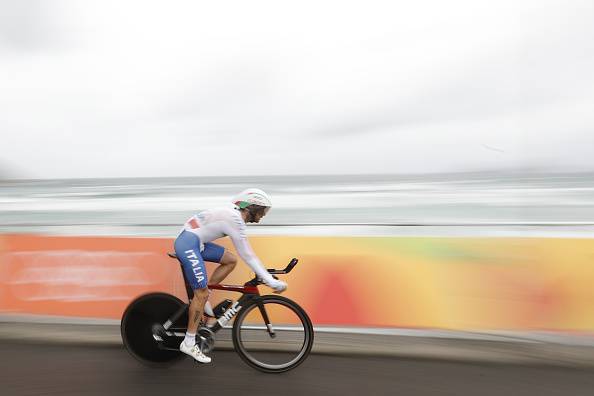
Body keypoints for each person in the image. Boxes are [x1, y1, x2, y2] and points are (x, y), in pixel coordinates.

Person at [173, 188, 287, 363]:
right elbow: (248, 255)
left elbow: (242, 255)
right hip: (188, 243)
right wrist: (269, 280)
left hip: (196, 241)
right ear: (252, 207)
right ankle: (188, 342)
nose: (264, 214)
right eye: (263, 210)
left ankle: (204, 298)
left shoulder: (233, 215)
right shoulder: (235, 219)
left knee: (230, 260)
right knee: (200, 293)